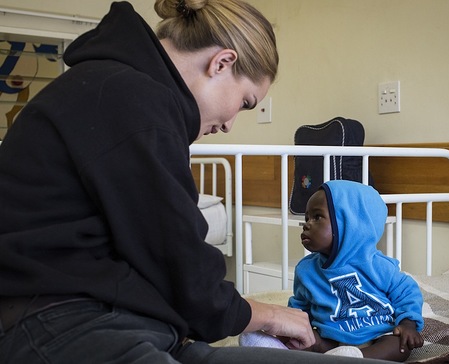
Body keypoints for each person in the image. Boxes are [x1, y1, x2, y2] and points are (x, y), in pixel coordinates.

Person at [0, 1, 381, 363]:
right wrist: (261, 315)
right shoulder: (130, 98)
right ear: (222, 62)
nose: (231, 123)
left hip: (128, 322)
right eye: (246, 102)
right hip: (56, 322)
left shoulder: (130, 94)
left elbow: (159, 256)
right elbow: (177, 256)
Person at [241, 181, 424, 361]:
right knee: (309, 341)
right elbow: (300, 307)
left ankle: (359, 358)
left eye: (317, 217)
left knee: (400, 344)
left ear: (350, 223)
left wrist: (408, 323)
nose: (307, 224)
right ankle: (276, 351)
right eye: (307, 218)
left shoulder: (377, 265)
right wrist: (289, 330)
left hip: (377, 334)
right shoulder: (306, 270)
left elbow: (407, 292)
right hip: (331, 341)